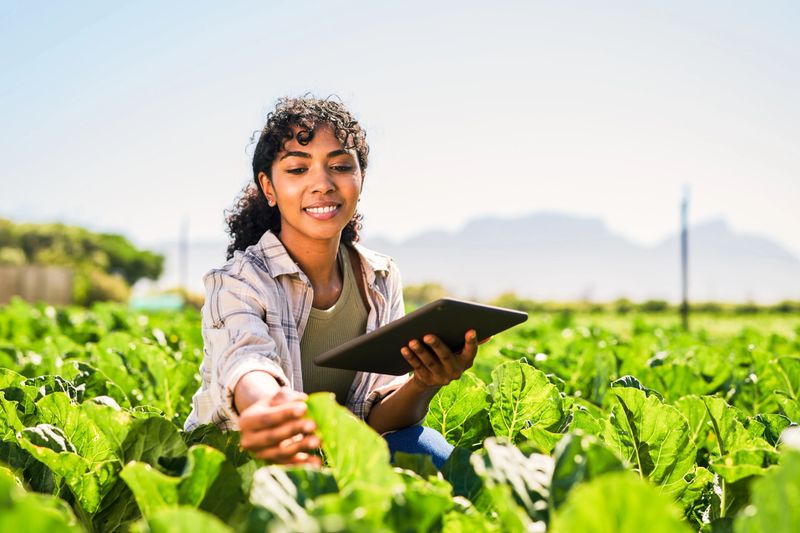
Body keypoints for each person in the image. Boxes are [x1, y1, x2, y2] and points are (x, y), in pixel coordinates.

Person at [184, 96, 480, 468]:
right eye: (297, 170)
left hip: (334, 458)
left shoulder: (380, 276)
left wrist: (424, 381)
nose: (322, 184)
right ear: (269, 188)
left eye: (340, 166)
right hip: (242, 462)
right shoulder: (239, 280)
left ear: (360, 179)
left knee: (427, 447)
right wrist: (266, 406)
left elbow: (372, 421)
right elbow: (245, 359)